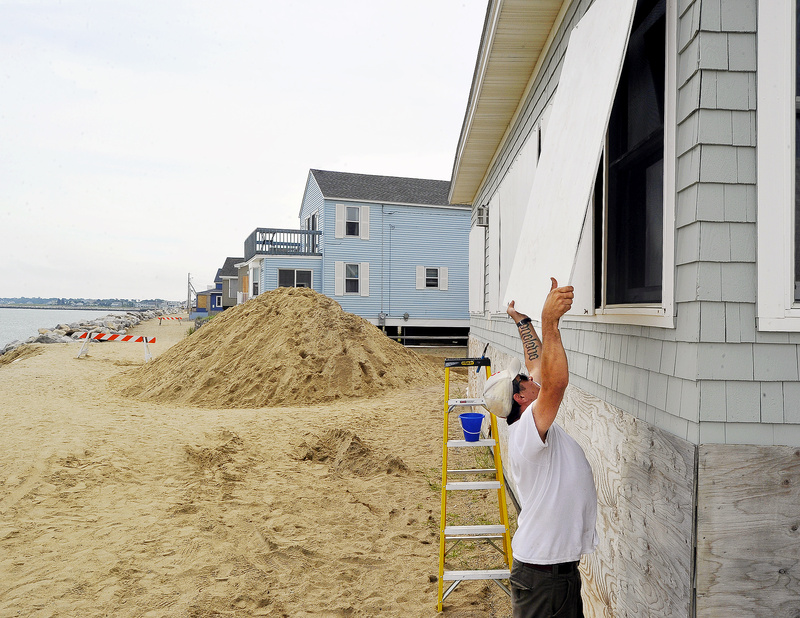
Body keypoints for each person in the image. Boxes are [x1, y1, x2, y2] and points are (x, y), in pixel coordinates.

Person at [484, 278, 598, 618]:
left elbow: (538, 364)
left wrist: (521, 320)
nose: (534, 378)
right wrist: (550, 323)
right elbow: (556, 382)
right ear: (521, 397)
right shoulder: (528, 431)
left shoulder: (530, 419)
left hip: (554, 572)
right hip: (543, 574)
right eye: (526, 381)